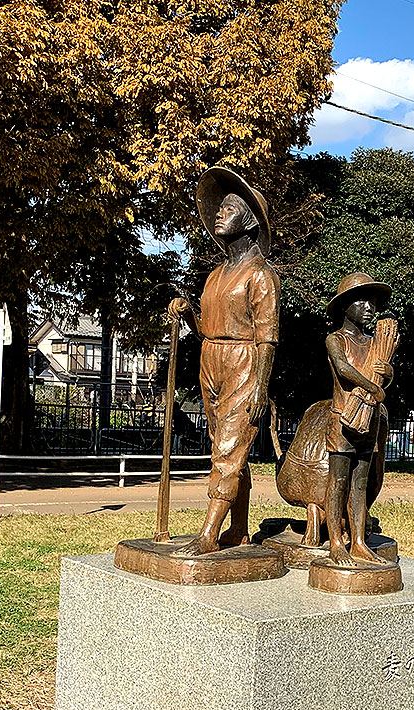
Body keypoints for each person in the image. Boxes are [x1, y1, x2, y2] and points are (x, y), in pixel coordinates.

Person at [167, 168, 278, 556]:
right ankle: (239, 529)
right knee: (226, 448)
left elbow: (267, 337)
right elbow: (209, 331)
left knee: (229, 448)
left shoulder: (261, 275)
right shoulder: (215, 275)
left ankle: (209, 533)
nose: (219, 213)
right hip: (210, 358)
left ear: (248, 219)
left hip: (244, 363)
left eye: (229, 207)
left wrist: (261, 387)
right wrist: (189, 316)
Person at [322, 273, 394, 566]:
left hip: (369, 420)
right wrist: (373, 386)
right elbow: (342, 368)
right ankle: (337, 541)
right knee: (338, 481)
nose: (370, 308)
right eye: (362, 301)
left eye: (373, 303)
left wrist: (387, 375)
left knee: (360, 484)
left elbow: (384, 372)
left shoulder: (374, 342)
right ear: (345, 306)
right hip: (343, 420)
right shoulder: (335, 339)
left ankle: (360, 541)